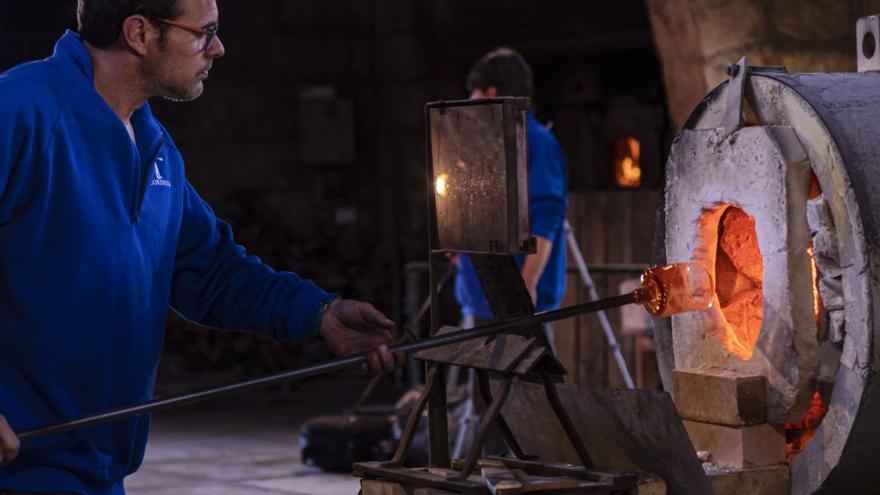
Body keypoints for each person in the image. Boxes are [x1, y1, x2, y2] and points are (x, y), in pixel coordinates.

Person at [0, 0, 401, 493]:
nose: (218, 48)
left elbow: (209, 271)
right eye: (204, 32)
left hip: (98, 469)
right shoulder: (21, 112)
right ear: (139, 33)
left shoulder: (154, 148)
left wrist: (319, 314)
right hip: (16, 467)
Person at [451, 47, 569, 457]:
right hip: (483, 295)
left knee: (529, 405)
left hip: (516, 296)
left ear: (491, 92)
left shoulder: (535, 141)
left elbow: (547, 214)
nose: (469, 104)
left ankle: (535, 475)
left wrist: (527, 283)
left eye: (474, 94)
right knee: (487, 405)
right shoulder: (484, 144)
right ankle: (492, 474)